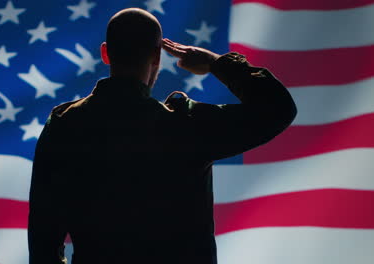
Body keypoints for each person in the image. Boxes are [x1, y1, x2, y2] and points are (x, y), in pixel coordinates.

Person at [28, 8, 297, 264]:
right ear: (157, 56)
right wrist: (217, 64)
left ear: (106, 53)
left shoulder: (66, 124)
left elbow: (44, 234)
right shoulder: (185, 125)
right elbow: (277, 109)